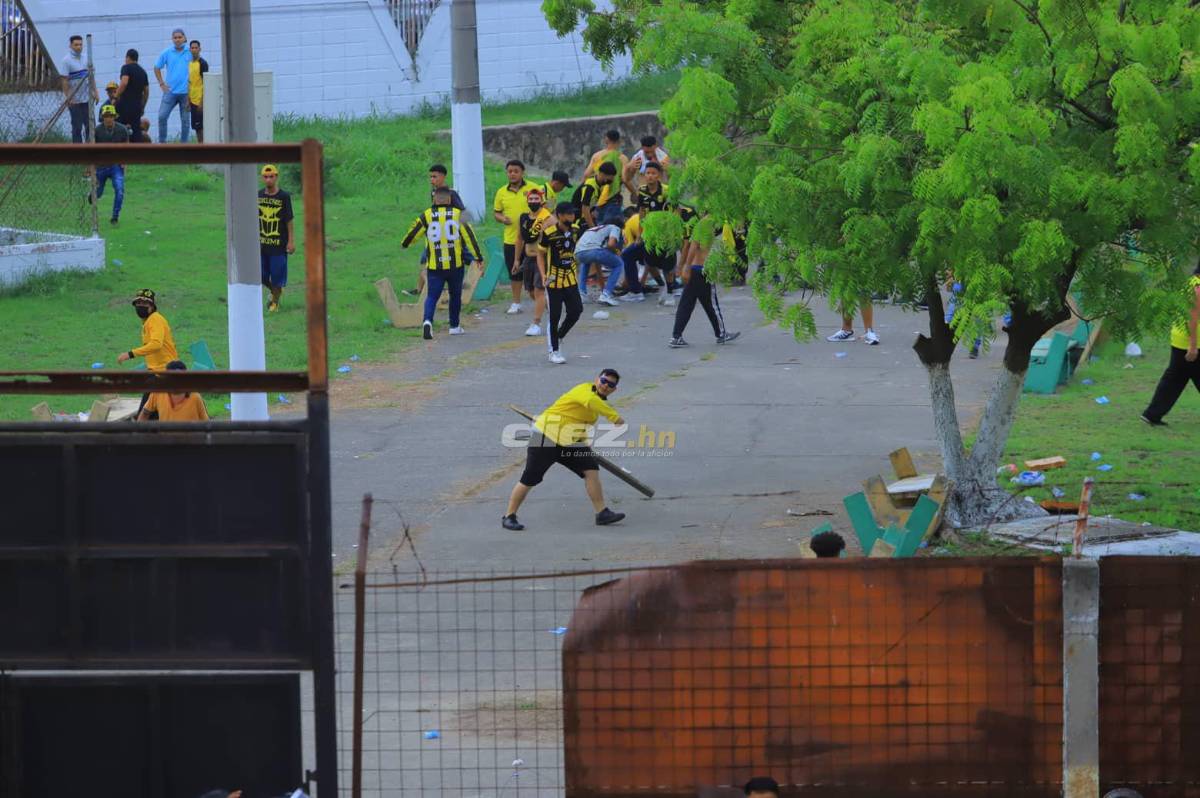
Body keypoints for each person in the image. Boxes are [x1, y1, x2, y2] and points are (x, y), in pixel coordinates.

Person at [501, 369, 627, 530]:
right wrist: (614, 417)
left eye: (611, 384)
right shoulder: (584, 390)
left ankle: (602, 513)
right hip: (545, 437)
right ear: (597, 379)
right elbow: (590, 401)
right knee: (530, 478)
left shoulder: (596, 404)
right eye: (604, 381)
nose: (605, 386)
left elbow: (581, 423)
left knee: (591, 470)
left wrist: (584, 443)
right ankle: (509, 516)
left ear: (614, 389)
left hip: (570, 442)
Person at [401, 186, 484, 340]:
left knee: (432, 296)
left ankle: (427, 321)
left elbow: (413, 233)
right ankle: (454, 326)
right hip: (455, 265)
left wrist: (405, 244)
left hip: (434, 266)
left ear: (434, 199)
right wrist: (478, 257)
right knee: (455, 295)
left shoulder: (426, 215)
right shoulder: (458, 215)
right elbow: (470, 238)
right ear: (450, 199)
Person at [1141, 265, 1200, 426]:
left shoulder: (1191, 282)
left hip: (1180, 338)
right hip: (1191, 342)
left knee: (1175, 378)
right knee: (1176, 376)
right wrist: (1193, 346)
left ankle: (1152, 414)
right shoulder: (1197, 288)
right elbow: (1192, 318)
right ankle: (1153, 413)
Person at [669, 215, 739, 347]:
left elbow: (690, 246)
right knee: (712, 304)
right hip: (702, 270)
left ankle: (676, 336)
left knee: (687, 304)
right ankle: (721, 333)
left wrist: (684, 267)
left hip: (696, 269)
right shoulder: (707, 223)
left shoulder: (703, 223)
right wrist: (686, 267)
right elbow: (693, 247)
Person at [116, 288, 179, 419]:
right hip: (159, 374)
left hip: (163, 375)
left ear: (152, 306)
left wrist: (130, 354)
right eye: (138, 304)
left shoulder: (155, 319)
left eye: (144, 304)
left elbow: (156, 344)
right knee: (154, 417)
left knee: (145, 416)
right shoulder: (148, 322)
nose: (140, 307)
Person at [538, 202, 584, 364]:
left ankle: (560, 335)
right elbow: (540, 254)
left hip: (570, 279)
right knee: (554, 316)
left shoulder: (576, 230)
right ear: (560, 215)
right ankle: (554, 351)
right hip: (553, 281)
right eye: (569, 214)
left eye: (573, 214)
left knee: (577, 310)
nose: (572, 216)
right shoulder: (549, 233)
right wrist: (543, 274)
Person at [492, 159, 539, 315]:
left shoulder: (534, 188)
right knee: (515, 271)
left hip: (533, 239)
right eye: (509, 171)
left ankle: (541, 300)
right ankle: (516, 303)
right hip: (511, 239)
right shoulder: (501, 192)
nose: (512, 174)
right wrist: (502, 219)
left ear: (522, 172)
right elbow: (496, 213)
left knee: (538, 270)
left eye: (515, 171)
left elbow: (544, 208)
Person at [515, 188, 553, 337]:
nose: (533, 202)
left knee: (539, 291)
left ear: (541, 201)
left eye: (536, 199)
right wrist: (517, 259)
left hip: (542, 258)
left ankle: (536, 323)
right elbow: (519, 239)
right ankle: (552, 308)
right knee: (531, 292)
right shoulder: (524, 218)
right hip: (528, 258)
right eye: (531, 199)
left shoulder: (548, 218)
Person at [258, 165, 296, 312]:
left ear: (276, 177)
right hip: (261, 245)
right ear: (262, 178)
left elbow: (289, 220)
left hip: (279, 245)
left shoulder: (284, 197)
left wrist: (291, 241)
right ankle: (275, 291)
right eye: (266, 177)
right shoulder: (259, 195)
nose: (268, 179)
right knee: (260, 274)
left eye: (271, 176)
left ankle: (275, 302)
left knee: (277, 275)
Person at [137, 360, 210, 422]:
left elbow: (206, 423)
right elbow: (145, 413)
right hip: (166, 438)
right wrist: (139, 434)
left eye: (179, 378)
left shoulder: (195, 397)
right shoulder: (158, 393)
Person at [92, 105, 129, 225]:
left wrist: (124, 162)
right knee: (99, 192)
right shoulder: (96, 131)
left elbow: (127, 147)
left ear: (114, 117)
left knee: (119, 190)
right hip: (101, 165)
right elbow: (91, 149)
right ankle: (91, 195)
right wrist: (91, 166)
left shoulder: (122, 130)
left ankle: (115, 216)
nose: (108, 119)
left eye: (111, 116)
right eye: (106, 116)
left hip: (116, 165)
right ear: (102, 118)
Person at [154, 28, 192, 143]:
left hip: (186, 93)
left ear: (184, 38)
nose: (177, 40)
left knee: (185, 121)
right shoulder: (167, 52)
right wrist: (161, 83)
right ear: (172, 39)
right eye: (175, 38)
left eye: (180, 37)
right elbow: (156, 67)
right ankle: (162, 144)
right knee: (162, 116)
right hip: (170, 92)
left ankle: (183, 146)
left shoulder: (190, 52)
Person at [575, 220, 625, 307]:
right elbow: (611, 244)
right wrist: (615, 253)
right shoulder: (615, 227)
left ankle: (582, 294)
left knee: (586, 262)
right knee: (618, 264)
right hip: (594, 251)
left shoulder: (593, 229)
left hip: (578, 253)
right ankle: (606, 294)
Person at [61, 35, 96, 143]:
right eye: (76, 44)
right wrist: (69, 97)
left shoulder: (86, 57)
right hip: (75, 101)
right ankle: (78, 153)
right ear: (70, 45)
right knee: (77, 128)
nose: (79, 47)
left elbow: (91, 77)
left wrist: (95, 92)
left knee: (90, 126)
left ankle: (90, 151)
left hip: (87, 99)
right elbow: (64, 80)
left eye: (80, 44)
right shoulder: (66, 61)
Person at [114, 49, 149, 142]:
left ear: (128, 57)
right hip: (137, 105)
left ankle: (120, 150)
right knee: (136, 129)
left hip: (125, 104)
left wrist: (115, 96)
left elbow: (124, 83)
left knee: (120, 127)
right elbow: (146, 92)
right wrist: (143, 106)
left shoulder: (126, 67)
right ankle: (137, 152)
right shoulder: (143, 72)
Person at [575, 161, 620, 228]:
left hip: (586, 217)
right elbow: (584, 208)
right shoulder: (590, 186)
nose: (611, 181)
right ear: (602, 174)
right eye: (609, 178)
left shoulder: (600, 184)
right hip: (578, 220)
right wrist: (592, 226)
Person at [187, 40, 209, 143]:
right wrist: (188, 100)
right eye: (192, 48)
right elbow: (190, 82)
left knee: (202, 127)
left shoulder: (203, 64)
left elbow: (206, 83)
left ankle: (204, 149)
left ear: (199, 49)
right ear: (190, 49)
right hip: (192, 100)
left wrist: (202, 102)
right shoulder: (190, 64)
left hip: (199, 101)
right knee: (196, 127)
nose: (194, 50)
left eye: (196, 48)